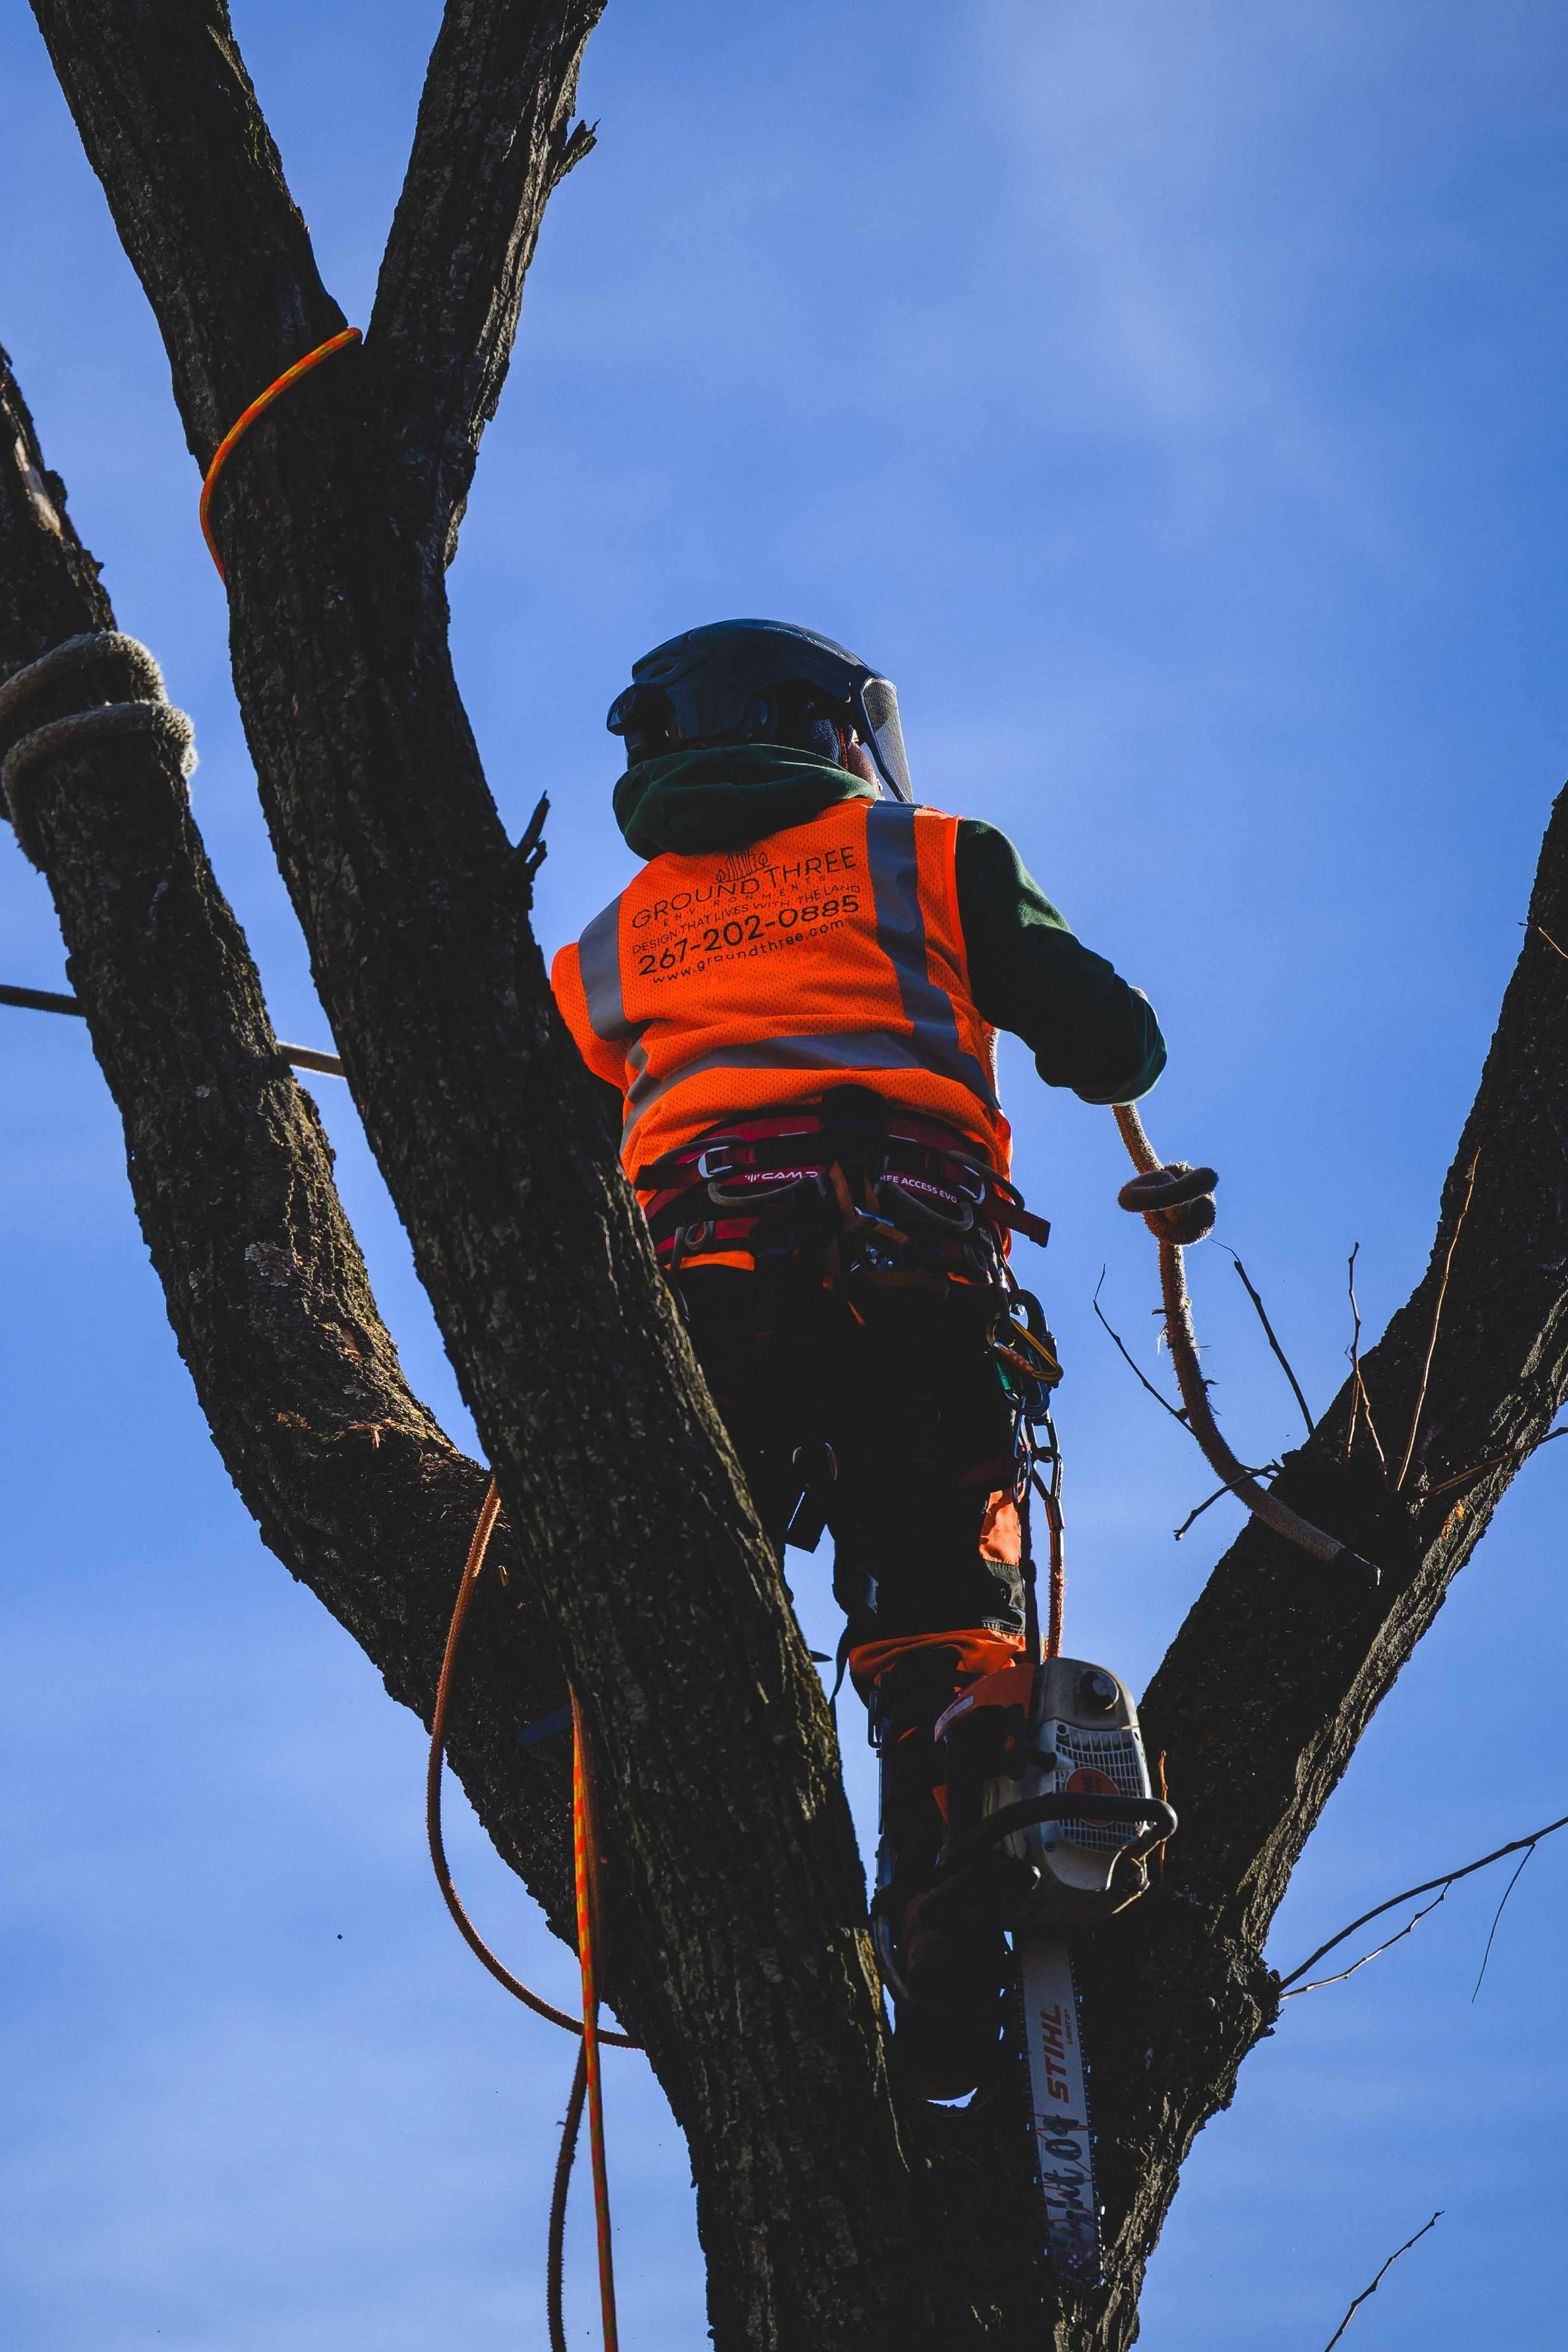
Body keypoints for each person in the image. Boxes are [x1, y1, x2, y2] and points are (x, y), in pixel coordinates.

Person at [551, 619, 1164, 2097]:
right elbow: (1112, 1041)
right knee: (937, 1610)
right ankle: (948, 1923)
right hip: (909, 1290)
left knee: (675, 1605)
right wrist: (1086, 1055)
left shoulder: (604, 948)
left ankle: (653, 1853)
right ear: (822, 728)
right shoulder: (930, 855)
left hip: (700, 1315)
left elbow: (558, 1142)